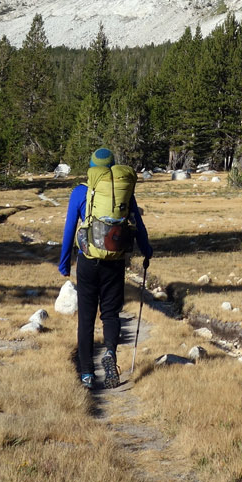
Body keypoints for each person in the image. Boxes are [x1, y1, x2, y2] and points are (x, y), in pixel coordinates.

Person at [58, 147, 153, 389]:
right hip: (115, 261)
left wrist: (64, 262)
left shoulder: (81, 192)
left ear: (92, 167)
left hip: (88, 261)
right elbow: (138, 225)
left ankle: (88, 374)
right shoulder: (123, 192)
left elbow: (70, 229)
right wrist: (147, 251)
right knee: (110, 314)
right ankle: (110, 352)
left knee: (87, 318)